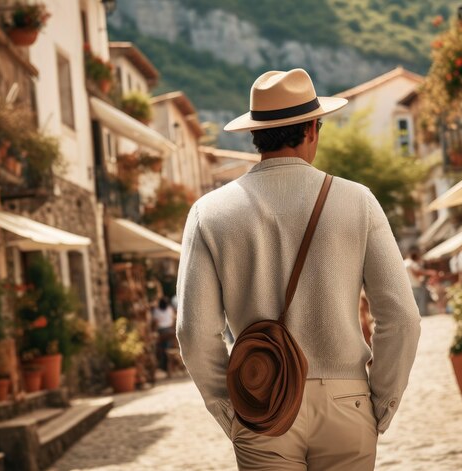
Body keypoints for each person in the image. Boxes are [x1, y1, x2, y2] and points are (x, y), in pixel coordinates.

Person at [176, 68, 420, 470]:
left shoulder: (209, 213)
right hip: (348, 401)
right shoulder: (358, 201)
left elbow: (193, 330)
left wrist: (229, 409)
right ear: (311, 129)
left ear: (255, 135)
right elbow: (402, 318)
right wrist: (382, 401)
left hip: (261, 403)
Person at [404, 249, 437, 316]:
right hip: (416, 285)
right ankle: (422, 314)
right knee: (421, 301)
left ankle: (415, 315)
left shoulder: (404, 262)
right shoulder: (411, 263)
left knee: (413, 303)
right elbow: (418, 272)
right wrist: (430, 272)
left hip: (408, 286)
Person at [152, 297, 176, 372]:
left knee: (160, 347)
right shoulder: (170, 309)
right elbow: (173, 320)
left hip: (161, 331)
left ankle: (163, 365)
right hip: (170, 331)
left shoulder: (156, 311)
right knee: (168, 346)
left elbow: (155, 323)